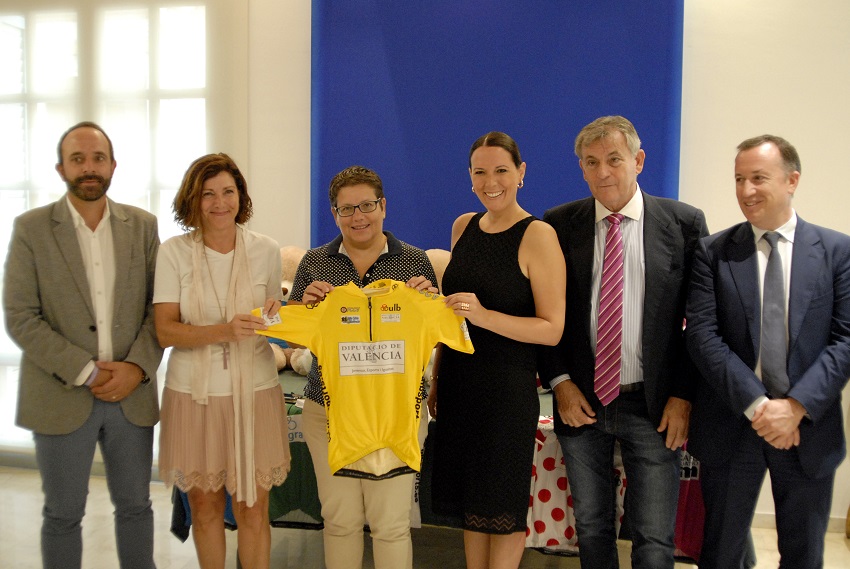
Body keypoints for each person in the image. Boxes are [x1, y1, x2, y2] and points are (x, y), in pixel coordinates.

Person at [538, 116, 708, 569]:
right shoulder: (558, 225)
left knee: (653, 537)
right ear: (581, 168)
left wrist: (683, 396)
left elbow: (701, 322)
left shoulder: (684, 224)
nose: (603, 172)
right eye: (591, 162)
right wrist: (560, 382)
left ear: (639, 160)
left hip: (655, 406)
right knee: (592, 528)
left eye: (614, 159)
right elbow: (545, 314)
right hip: (581, 401)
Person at [685, 134, 850, 569]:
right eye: (739, 179)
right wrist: (760, 406)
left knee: (803, 555)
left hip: (807, 428)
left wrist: (795, 406)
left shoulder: (837, 252)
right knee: (720, 554)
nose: (746, 190)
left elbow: (845, 339)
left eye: (758, 178)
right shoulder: (713, 253)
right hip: (732, 423)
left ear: (792, 180)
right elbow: (702, 336)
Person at [3, 121, 162, 569]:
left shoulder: (143, 226)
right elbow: (20, 315)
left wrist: (136, 368)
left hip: (132, 395)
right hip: (60, 393)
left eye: (98, 158)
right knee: (62, 514)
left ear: (113, 165)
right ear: (61, 168)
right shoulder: (31, 228)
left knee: (136, 507)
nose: (89, 167)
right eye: (78, 159)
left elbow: (160, 309)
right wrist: (87, 371)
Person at [288, 165, 438, 569]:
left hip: (396, 415)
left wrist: (427, 301)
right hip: (328, 412)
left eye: (367, 206)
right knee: (339, 522)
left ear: (383, 206)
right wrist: (305, 307)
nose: (358, 217)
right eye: (347, 209)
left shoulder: (414, 262)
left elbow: (434, 336)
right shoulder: (315, 263)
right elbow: (296, 337)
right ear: (334, 214)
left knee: (391, 525)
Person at [429, 131, 566, 569]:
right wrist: (437, 374)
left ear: (521, 173)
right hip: (458, 385)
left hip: (506, 391)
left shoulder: (538, 235)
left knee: (502, 509)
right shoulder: (463, 226)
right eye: (481, 172)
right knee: (472, 505)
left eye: (502, 170)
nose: (491, 182)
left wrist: (485, 316)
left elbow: (552, 329)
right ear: (470, 177)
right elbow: (453, 317)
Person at [153, 153, 290, 569]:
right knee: (205, 507)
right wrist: (223, 331)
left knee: (254, 508)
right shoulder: (173, 252)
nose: (219, 203)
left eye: (228, 192)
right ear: (192, 200)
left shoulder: (266, 249)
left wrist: (278, 314)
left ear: (240, 196)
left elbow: (273, 319)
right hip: (193, 396)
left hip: (256, 391)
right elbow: (165, 331)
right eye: (208, 194)